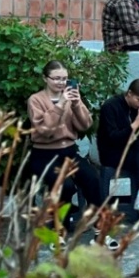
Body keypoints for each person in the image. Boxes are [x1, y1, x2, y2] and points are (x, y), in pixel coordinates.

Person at [27, 61, 109, 238]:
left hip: (69, 152)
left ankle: (99, 227)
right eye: (56, 78)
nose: (61, 82)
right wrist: (60, 104)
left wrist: (77, 104)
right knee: (65, 186)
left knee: (92, 179)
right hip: (45, 154)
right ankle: (59, 229)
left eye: (64, 79)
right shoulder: (36, 100)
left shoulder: (71, 98)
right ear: (45, 78)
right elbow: (45, 130)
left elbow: (85, 125)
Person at [97, 78, 139, 231]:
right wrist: (136, 123)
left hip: (132, 151)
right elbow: (113, 139)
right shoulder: (110, 106)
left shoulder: (138, 108)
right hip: (112, 153)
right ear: (129, 93)